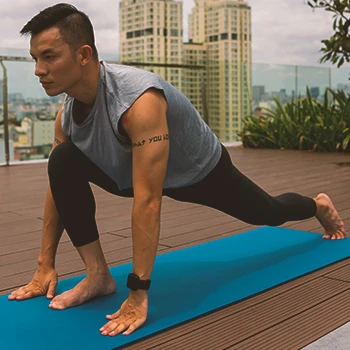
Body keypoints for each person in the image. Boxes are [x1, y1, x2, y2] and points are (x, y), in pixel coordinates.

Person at [8, 3, 346, 338]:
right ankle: (98, 276)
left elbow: (149, 200)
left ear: (83, 55)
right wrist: (44, 266)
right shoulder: (66, 114)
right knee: (63, 161)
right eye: (35, 58)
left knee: (265, 212)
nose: (38, 69)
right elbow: (59, 186)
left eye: (49, 56)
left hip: (198, 170)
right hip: (128, 171)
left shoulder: (139, 100)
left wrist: (138, 292)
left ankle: (317, 204)